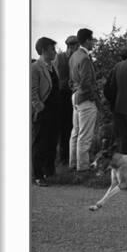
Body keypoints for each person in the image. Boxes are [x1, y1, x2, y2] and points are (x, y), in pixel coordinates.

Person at [68, 28, 100, 171]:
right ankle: (83, 167)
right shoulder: (85, 58)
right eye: (92, 40)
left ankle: (73, 163)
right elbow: (87, 83)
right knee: (85, 135)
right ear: (87, 40)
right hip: (85, 98)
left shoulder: (74, 55)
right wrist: (94, 97)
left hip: (75, 95)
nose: (93, 43)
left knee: (75, 133)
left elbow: (72, 79)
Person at [31, 37, 60, 186]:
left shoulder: (51, 66)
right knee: (40, 143)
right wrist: (38, 106)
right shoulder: (36, 67)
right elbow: (32, 90)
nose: (55, 52)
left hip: (54, 110)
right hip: (43, 111)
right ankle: (37, 175)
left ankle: (49, 171)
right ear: (43, 51)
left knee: (51, 142)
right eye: (52, 49)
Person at [55, 35, 79, 165]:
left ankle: (68, 156)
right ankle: (64, 156)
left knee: (71, 127)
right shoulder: (61, 58)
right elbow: (59, 78)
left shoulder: (70, 58)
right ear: (72, 46)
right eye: (76, 46)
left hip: (70, 94)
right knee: (65, 126)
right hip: (63, 95)